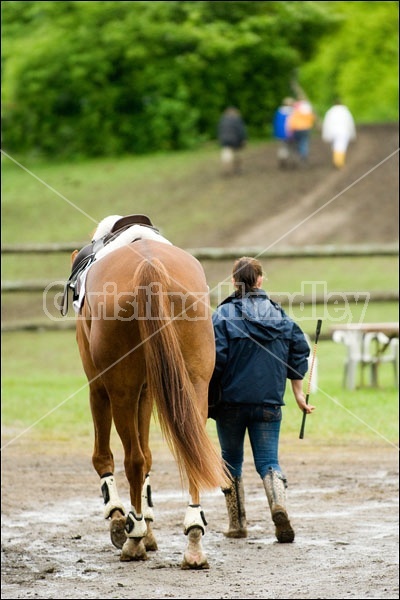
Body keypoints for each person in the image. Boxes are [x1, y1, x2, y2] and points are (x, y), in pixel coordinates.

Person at [208, 257, 314, 542]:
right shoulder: (280, 316)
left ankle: (237, 525)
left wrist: (206, 400)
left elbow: (214, 362)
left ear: (233, 281)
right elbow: (299, 350)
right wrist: (298, 393)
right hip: (269, 404)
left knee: (230, 462)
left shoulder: (222, 316)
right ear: (259, 280)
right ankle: (278, 504)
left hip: (230, 404)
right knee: (269, 461)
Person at [322, 99, 356, 169]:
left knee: (335, 146)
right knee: (341, 146)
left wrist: (325, 134)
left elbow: (326, 123)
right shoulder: (345, 112)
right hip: (343, 132)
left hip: (332, 132)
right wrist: (352, 133)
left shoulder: (330, 112)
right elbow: (350, 123)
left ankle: (337, 161)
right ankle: (339, 162)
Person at [286, 93, 316, 165]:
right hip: (306, 128)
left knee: (297, 143)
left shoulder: (296, 107)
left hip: (297, 128)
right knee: (304, 142)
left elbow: (291, 119)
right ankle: (303, 156)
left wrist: (290, 128)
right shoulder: (308, 107)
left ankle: (299, 155)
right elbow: (312, 117)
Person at [217, 106, 247, 175]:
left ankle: (226, 169)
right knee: (237, 154)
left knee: (226, 155)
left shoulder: (222, 120)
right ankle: (238, 169)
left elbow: (219, 130)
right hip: (235, 140)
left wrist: (220, 138)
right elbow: (241, 130)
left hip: (224, 140)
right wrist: (243, 139)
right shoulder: (237, 119)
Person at [272, 97, 296, 168]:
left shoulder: (279, 111)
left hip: (280, 133)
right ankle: (292, 162)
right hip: (291, 133)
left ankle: (283, 159)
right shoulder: (294, 111)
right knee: (292, 148)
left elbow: (275, 123)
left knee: (282, 147)